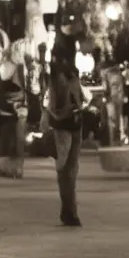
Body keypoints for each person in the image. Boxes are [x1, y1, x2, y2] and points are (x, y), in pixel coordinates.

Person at [45, 63, 85, 226]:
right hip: (66, 126)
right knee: (67, 170)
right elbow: (55, 107)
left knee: (68, 170)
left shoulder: (67, 78)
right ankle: (69, 211)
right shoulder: (63, 79)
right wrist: (71, 110)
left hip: (71, 125)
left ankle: (69, 211)